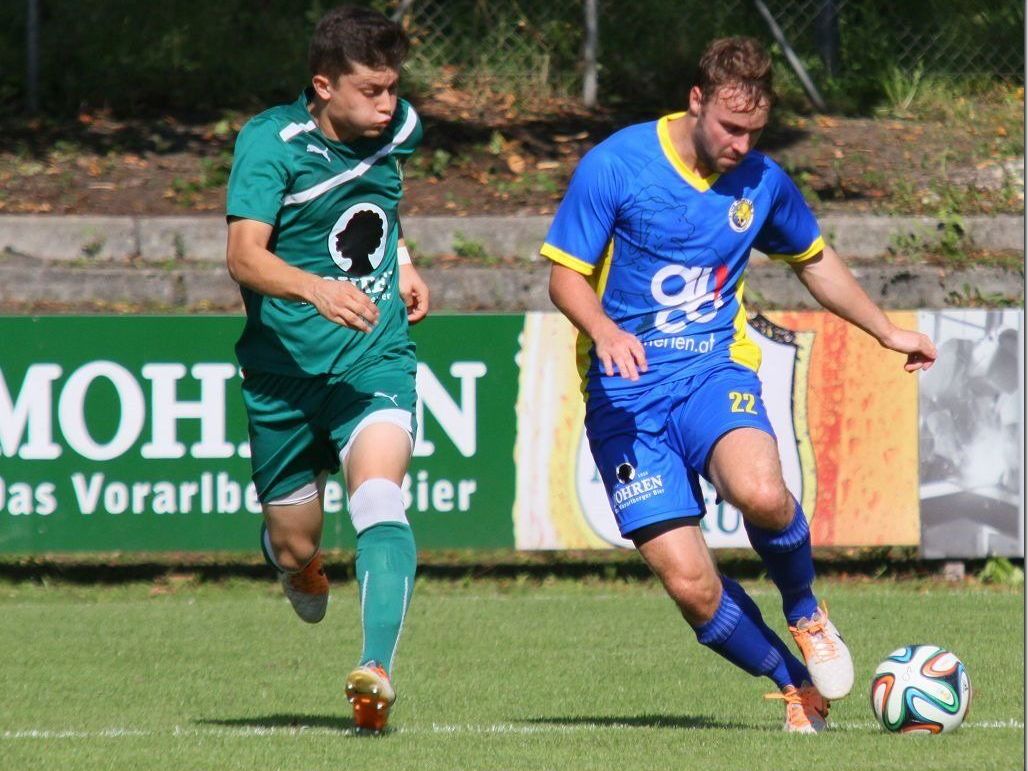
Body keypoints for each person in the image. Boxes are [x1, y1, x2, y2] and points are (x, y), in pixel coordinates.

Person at [542, 36, 937, 733]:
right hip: (624, 398)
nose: (741, 143)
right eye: (730, 126)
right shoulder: (617, 165)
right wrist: (605, 329)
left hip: (711, 370)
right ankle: (794, 683)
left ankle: (807, 609)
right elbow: (565, 275)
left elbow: (814, 262)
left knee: (759, 489)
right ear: (696, 102)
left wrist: (885, 329)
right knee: (692, 588)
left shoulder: (762, 180)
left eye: (755, 130)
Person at [224, 5, 429, 733]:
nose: (388, 104)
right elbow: (244, 255)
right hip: (281, 376)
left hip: (373, 359)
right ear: (322, 85)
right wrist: (315, 287)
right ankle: (291, 562)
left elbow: (383, 201)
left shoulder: (397, 128)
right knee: (297, 542)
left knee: (379, 498)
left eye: (392, 87)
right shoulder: (269, 144)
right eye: (371, 90)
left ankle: (374, 671)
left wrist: (401, 262)